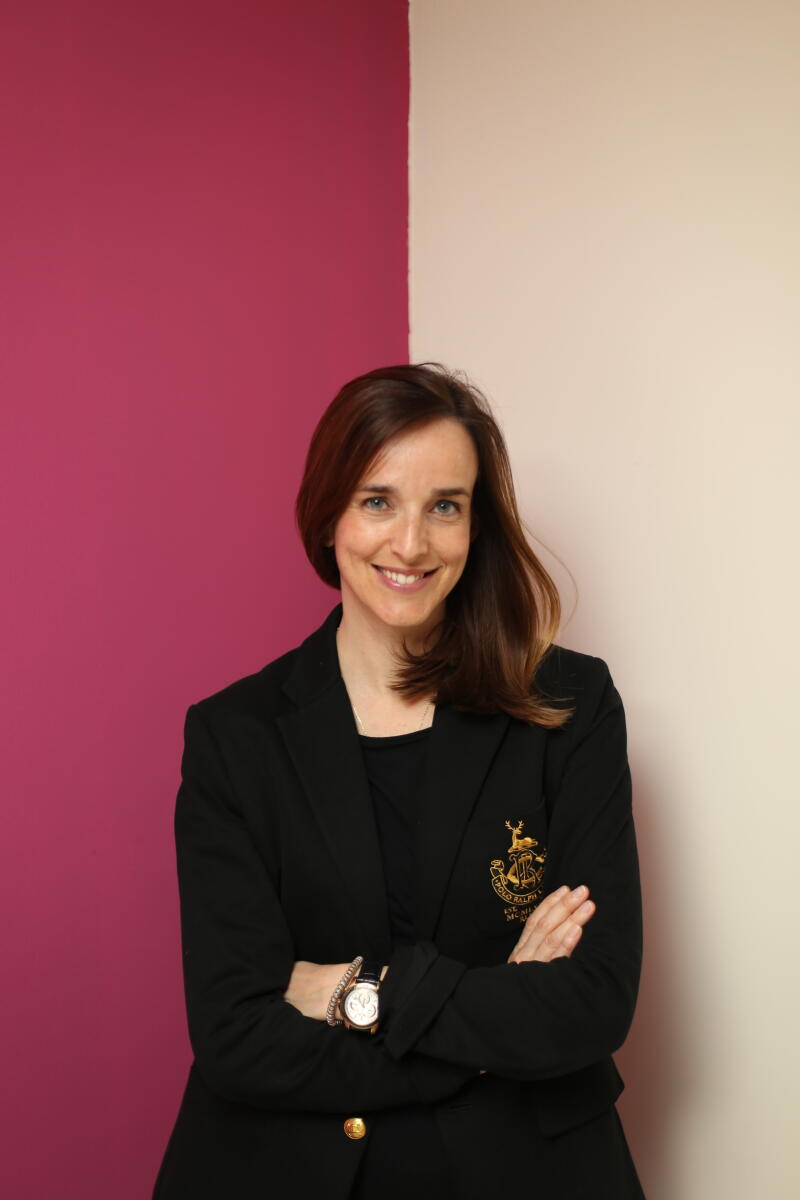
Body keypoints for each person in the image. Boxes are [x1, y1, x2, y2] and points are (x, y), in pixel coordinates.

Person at [152, 363, 646, 1200]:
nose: (411, 544)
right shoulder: (234, 737)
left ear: (475, 525)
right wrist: (492, 1031)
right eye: (378, 500)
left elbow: (592, 1001)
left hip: (527, 1169)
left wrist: (351, 993)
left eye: (444, 506)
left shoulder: (570, 706)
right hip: (293, 1168)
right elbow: (236, 1034)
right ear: (329, 514)